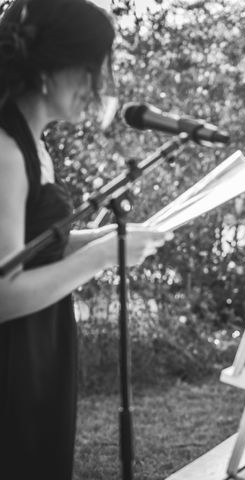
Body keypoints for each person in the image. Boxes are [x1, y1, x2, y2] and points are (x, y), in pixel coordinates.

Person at [0, 0, 168, 478]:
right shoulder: (5, 151)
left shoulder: (34, 141)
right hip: (12, 351)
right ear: (47, 67)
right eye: (90, 69)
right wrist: (100, 255)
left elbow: (31, 246)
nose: (98, 86)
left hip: (42, 337)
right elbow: (3, 292)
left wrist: (106, 237)